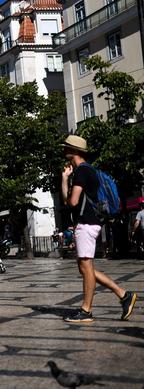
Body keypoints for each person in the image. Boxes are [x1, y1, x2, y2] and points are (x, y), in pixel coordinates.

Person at [60, 135, 137, 323]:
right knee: (85, 268)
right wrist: (64, 179)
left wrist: (70, 186)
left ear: (74, 151)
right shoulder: (86, 171)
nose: (63, 151)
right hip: (89, 223)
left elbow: (72, 202)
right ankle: (124, 295)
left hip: (86, 224)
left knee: (86, 268)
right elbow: (67, 200)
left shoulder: (82, 172)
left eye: (66, 148)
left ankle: (86, 310)